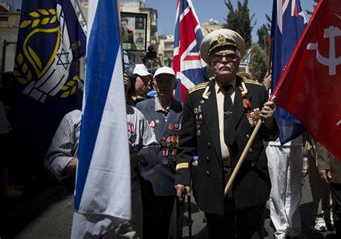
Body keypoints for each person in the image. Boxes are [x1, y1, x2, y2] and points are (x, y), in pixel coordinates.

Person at [175, 29, 279, 239]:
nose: (224, 61)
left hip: (250, 179)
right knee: (219, 234)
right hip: (211, 179)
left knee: (245, 233)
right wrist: (182, 177)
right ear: (211, 63)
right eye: (218, 57)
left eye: (230, 56)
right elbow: (186, 143)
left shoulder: (257, 92)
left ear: (238, 61)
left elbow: (270, 135)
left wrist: (268, 122)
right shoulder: (196, 97)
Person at [45, 107, 158, 238]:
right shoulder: (74, 117)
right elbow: (53, 160)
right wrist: (92, 164)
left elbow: (153, 148)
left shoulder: (135, 115)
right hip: (90, 198)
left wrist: (136, 158)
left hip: (127, 195)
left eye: (125, 85)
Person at [136, 66, 183, 239]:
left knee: (168, 229)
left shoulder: (183, 109)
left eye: (168, 81)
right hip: (146, 178)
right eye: (160, 81)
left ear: (175, 84)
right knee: (146, 227)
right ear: (154, 85)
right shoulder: (141, 108)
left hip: (172, 178)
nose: (164, 85)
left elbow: (186, 146)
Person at [264, 71, 304, 239]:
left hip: (295, 141)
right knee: (277, 190)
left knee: (294, 189)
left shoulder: (298, 87)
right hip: (275, 144)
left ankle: (293, 227)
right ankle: (281, 228)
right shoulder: (266, 89)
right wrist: (265, 87)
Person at [304, 132, 333, 232]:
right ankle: (319, 214)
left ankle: (329, 211)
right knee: (317, 180)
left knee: (331, 178)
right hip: (314, 140)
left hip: (331, 140)